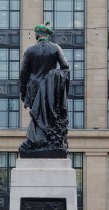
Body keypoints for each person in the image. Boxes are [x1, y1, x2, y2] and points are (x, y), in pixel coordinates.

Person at [19, 21, 70, 158]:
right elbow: (65, 67)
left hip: (34, 87)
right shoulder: (55, 48)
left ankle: (36, 141)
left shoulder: (30, 50)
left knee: (36, 116)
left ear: (38, 35)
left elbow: (24, 72)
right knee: (49, 116)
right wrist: (54, 76)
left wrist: (22, 90)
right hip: (51, 89)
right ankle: (48, 142)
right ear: (47, 35)